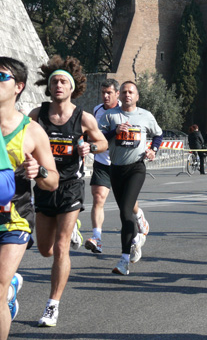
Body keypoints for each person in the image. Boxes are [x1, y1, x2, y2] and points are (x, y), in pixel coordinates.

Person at [29, 56, 107, 327]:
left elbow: (103, 142)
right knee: (45, 250)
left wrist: (90, 148)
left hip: (71, 186)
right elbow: (23, 141)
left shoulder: (82, 118)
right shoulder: (37, 115)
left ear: (72, 87)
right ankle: (71, 229)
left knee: (62, 247)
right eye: (54, 82)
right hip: (43, 185)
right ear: (49, 87)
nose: (59, 85)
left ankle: (52, 305)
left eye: (63, 81)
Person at [0, 57, 58, 339]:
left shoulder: (31, 131)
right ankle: (10, 292)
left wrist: (39, 170)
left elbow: (52, 181)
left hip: (14, 219)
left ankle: (5, 291)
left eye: (1, 77)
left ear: (18, 87)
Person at [98, 81, 163, 276]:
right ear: (119, 95)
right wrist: (114, 132)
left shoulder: (145, 115)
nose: (127, 95)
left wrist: (153, 150)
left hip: (136, 168)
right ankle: (136, 240)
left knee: (126, 212)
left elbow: (158, 135)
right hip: (116, 169)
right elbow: (99, 138)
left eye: (131, 92)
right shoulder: (110, 116)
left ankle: (124, 260)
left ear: (137, 96)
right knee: (125, 210)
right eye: (124, 92)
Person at [86, 79, 150, 254]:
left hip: (123, 163)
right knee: (98, 197)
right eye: (103, 93)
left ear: (117, 94)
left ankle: (139, 217)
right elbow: (97, 135)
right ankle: (97, 238)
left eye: (109, 93)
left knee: (127, 204)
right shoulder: (97, 111)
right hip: (102, 160)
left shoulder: (127, 110)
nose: (105, 96)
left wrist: (149, 149)